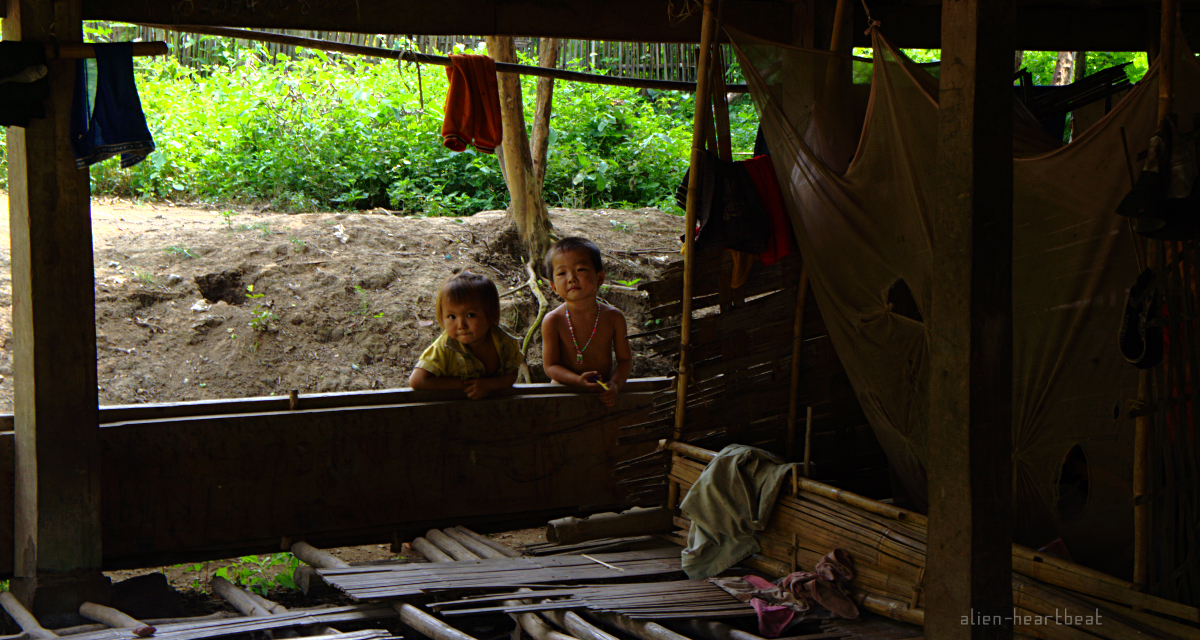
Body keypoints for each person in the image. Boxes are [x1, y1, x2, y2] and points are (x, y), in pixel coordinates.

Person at [542, 237, 632, 407]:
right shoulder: (553, 321)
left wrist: (615, 385)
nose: (571, 278)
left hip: (602, 394)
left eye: (580, 269)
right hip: (563, 395)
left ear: (600, 278)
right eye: (562, 273)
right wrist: (577, 381)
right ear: (554, 287)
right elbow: (551, 366)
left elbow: (625, 361)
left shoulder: (614, 318)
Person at [410, 271, 523, 399]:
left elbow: (511, 374)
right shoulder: (443, 348)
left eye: (470, 315)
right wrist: (466, 385)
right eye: (452, 317)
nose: (461, 325)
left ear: (492, 315)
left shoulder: (504, 343)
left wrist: (489, 385)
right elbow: (417, 380)